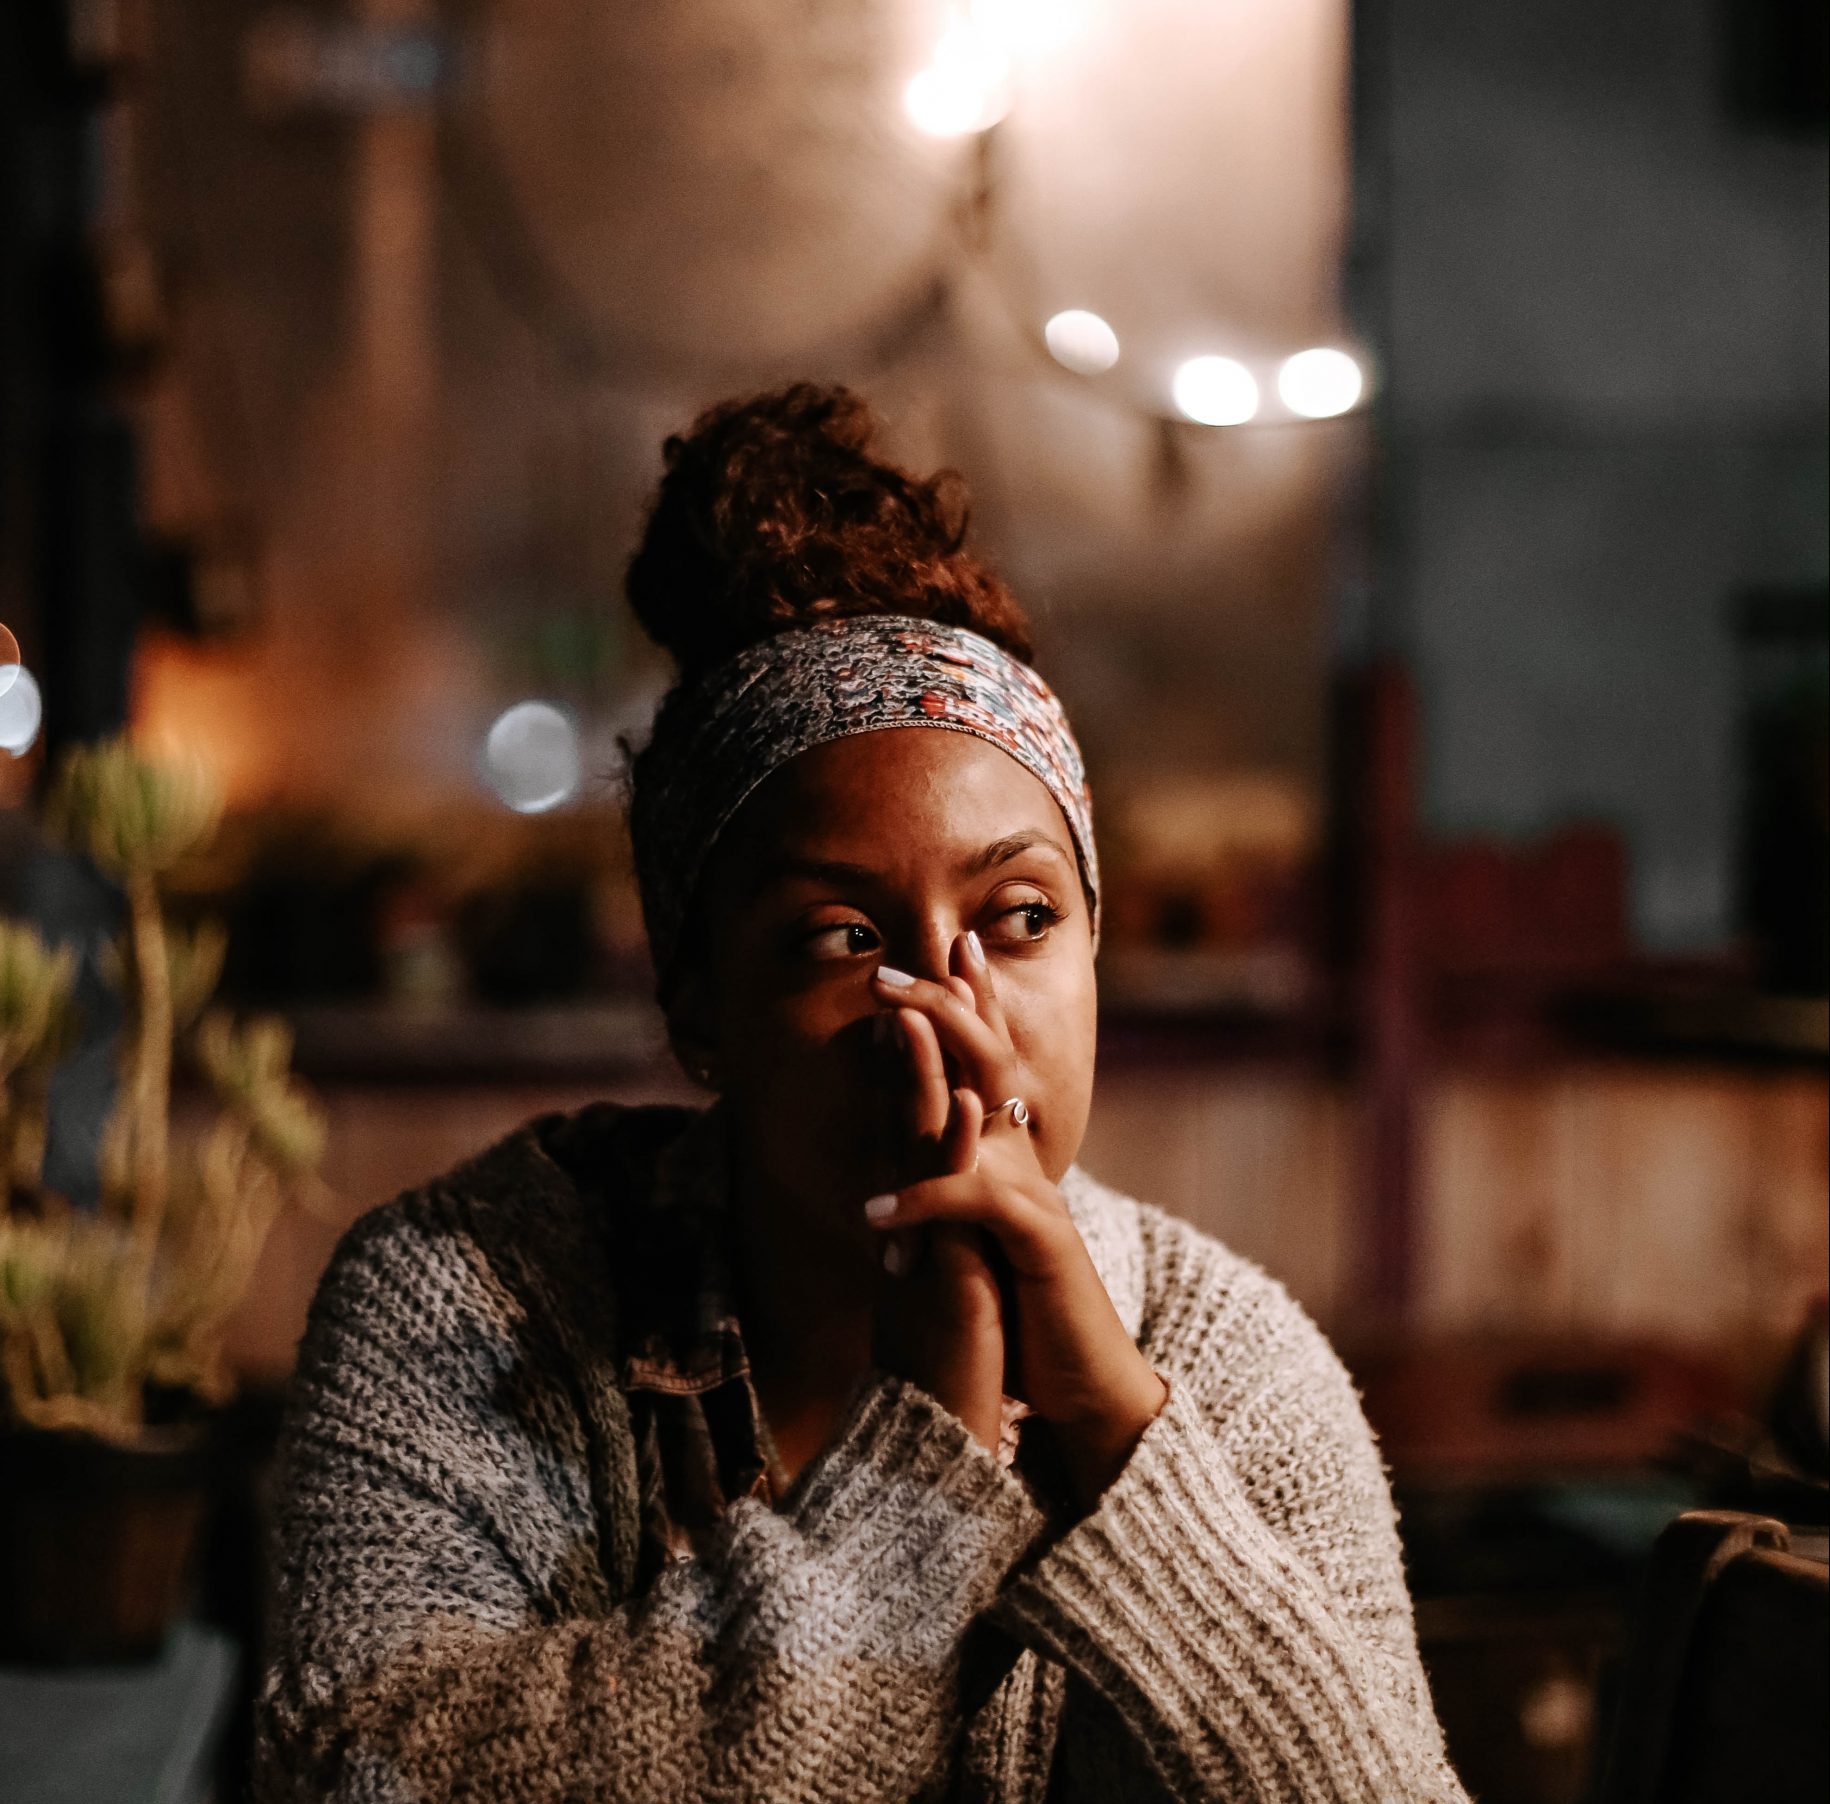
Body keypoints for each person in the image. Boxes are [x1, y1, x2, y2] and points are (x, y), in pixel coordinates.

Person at [254, 385, 1468, 1803]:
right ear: (698, 1005)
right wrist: (922, 1472)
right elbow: (362, 1777)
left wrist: (1121, 1440)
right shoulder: (470, 1305)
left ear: (1094, 950)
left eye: (1020, 918)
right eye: (842, 940)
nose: (950, 1013)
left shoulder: (1224, 1359)